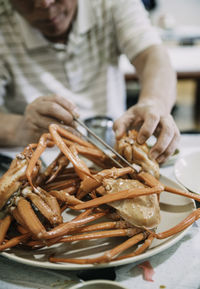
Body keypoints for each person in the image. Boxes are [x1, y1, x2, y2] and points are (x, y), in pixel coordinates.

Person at [0, 0, 180, 164]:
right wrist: (20, 128)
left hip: (114, 150)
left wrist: (154, 102)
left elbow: (152, 55)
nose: (45, 4)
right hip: (35, 159)